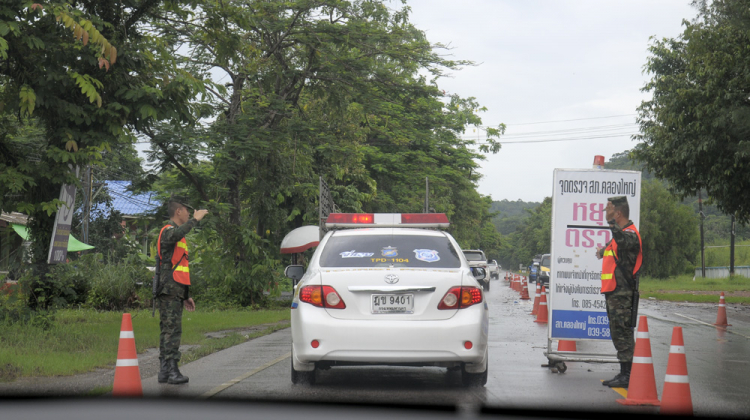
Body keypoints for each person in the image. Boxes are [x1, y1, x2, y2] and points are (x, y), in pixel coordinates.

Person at [156, 196, 208, 384]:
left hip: (175, 289)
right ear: (178, 211)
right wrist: (196, 220)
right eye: (187, 210)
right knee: (172, 331)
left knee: (168, 330)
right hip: (169, 289)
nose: (189, 213)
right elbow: (175, 235)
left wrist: (186, 295)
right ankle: (171, 370)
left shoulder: (177, 235)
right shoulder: (168, 231)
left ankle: (164, 371)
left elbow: (180, 267)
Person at [595, 195, 642, 388]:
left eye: (609, 210)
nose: (605, 213)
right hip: (614, 292)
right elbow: (611, 247)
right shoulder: (621, 235)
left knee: (622, 333)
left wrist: (611, 224)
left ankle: (628, 375)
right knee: (617, 333)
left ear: (618, 213)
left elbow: (622, 240)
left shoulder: (630, 234)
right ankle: (624, 373)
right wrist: (601, 251)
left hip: (622, 294)